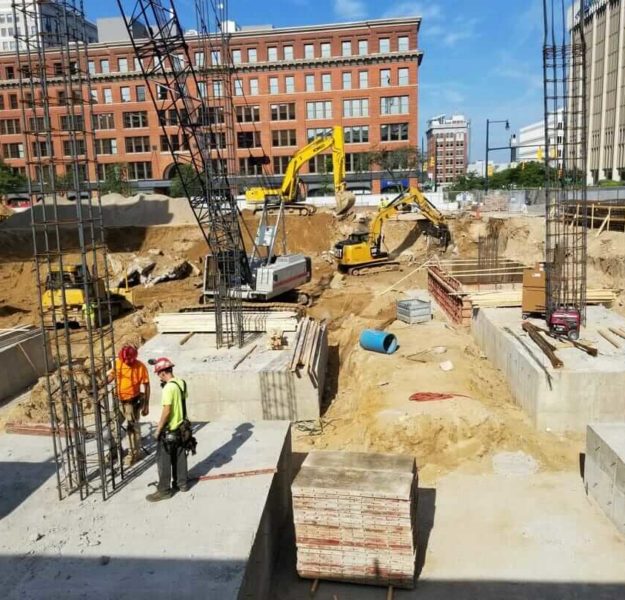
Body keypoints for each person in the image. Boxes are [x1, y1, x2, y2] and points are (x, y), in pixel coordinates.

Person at [146, 357, 189, 502]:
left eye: (158, 373)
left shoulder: (168, 388)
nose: (158, 377)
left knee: (163, 460)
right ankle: (181, 484)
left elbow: (167, 410)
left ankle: (164, 490)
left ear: (163, 373)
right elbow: (181, 401)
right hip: (182, 428)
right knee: (180, 456)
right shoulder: (181, 383)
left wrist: (158, 430)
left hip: (170, 429)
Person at [107, 344, 150, 466]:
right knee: (113, 424)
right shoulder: (118, 362)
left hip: (132, 401)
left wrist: (146, 405)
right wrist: (101, 383)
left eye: (128, 361)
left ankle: (134, 454)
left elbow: (147, 386)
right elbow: (111, 375)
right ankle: (115, 450)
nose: (125, 362)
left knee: (132, 428)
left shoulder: (140, 366)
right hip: (118, 400)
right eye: (123, 360)